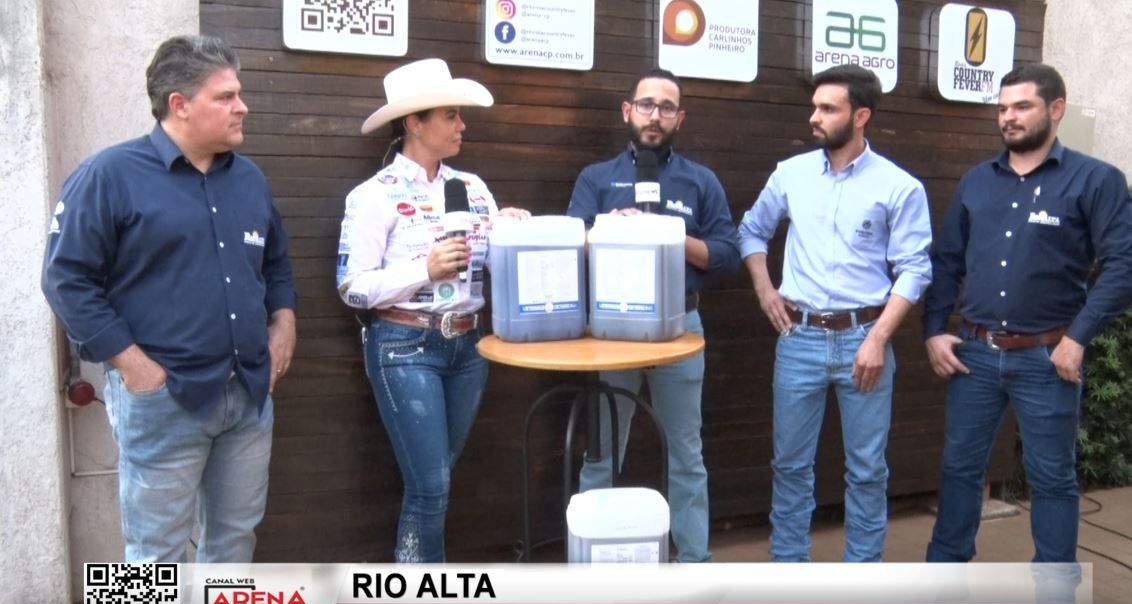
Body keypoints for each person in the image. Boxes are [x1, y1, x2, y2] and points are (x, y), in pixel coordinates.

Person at [41, 35, 295, 604]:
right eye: (226, 96)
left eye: (239, 94)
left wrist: (283, 324)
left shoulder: (249, 178)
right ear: (179, 104)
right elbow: (66, 279)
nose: (242, 106)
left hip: (247, 396)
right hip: (163, 400)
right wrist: (134, 367)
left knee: (233, 545)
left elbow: (276, 262)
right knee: (153, 563)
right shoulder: (109, 175)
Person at [922, 63, 1132, 563]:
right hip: (974, 355)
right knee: (959, 469)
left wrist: (1077, 339)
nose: (1008, 118)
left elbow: (1124, 264)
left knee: (1052, 477)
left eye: (1022, 106)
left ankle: (1054, 594)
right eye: (1002, 109)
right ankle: (943, 579)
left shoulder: (1095, 180)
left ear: (1056, 109)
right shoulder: (977, 182)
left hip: (1047, 358)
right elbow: (947, 262)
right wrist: (934, 330)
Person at [336, 60, 529, 567]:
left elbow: (493, 265)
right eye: (450, 116)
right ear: (414, 123)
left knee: (433, 483)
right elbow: (352, 289)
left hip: (470, 346)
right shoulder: (373, 196)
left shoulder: (474, 188)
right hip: (405, 347)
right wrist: (424, 268)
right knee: (432, 486)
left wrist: (512, 231)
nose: (462, 125)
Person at [737, 64, 933, 562]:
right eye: (815, 107)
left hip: (864, 338)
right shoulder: (791, 174)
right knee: (789, 466)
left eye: (828, 109)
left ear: (861, 116)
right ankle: (790, 569)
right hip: (798, 338)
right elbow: (752, 230)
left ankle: (860, 580)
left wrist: (878, 339)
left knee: (867, 470)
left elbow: (914, 269)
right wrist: (765, 290)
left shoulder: (899, 187)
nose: (815, 117)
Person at [566, 68, 740, 563]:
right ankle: (591, 563)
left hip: (680, 330)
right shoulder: (596, 178)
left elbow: (726, 255)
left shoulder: (700, 181)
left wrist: (668, 233)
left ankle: (694, 562)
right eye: (646, 104)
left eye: (666, 107)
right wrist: (610, 228)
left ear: (679, 118)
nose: (655, 116)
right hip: (612, 333)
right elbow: (571, 244)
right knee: (602, 451)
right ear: (628, 111)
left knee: (687, 453)